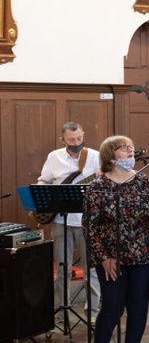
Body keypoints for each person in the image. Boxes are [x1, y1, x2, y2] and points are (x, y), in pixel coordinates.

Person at [83, 136, 149, 343]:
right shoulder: (97, 187)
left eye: (132, 147)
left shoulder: (144, 182)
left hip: (142, 255)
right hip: (111, 258)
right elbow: (90, 228)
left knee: (138, 308)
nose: (131, 151)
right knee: (112, 306)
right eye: (124, 148)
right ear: (111, 156)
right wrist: (102, 257)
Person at [38, 122, 101, 316]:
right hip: (60, 220)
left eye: (79, 138)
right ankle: (60, 310)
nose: (76, 142)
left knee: (90, 268)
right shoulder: (54, 157)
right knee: (62, 267)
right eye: (71, 140)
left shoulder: (95, 156)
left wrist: (100, 178)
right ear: (62, 139)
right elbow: (44, 179)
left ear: (83, 134)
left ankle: (92, 311)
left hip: (86, 220)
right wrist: (43, 194)